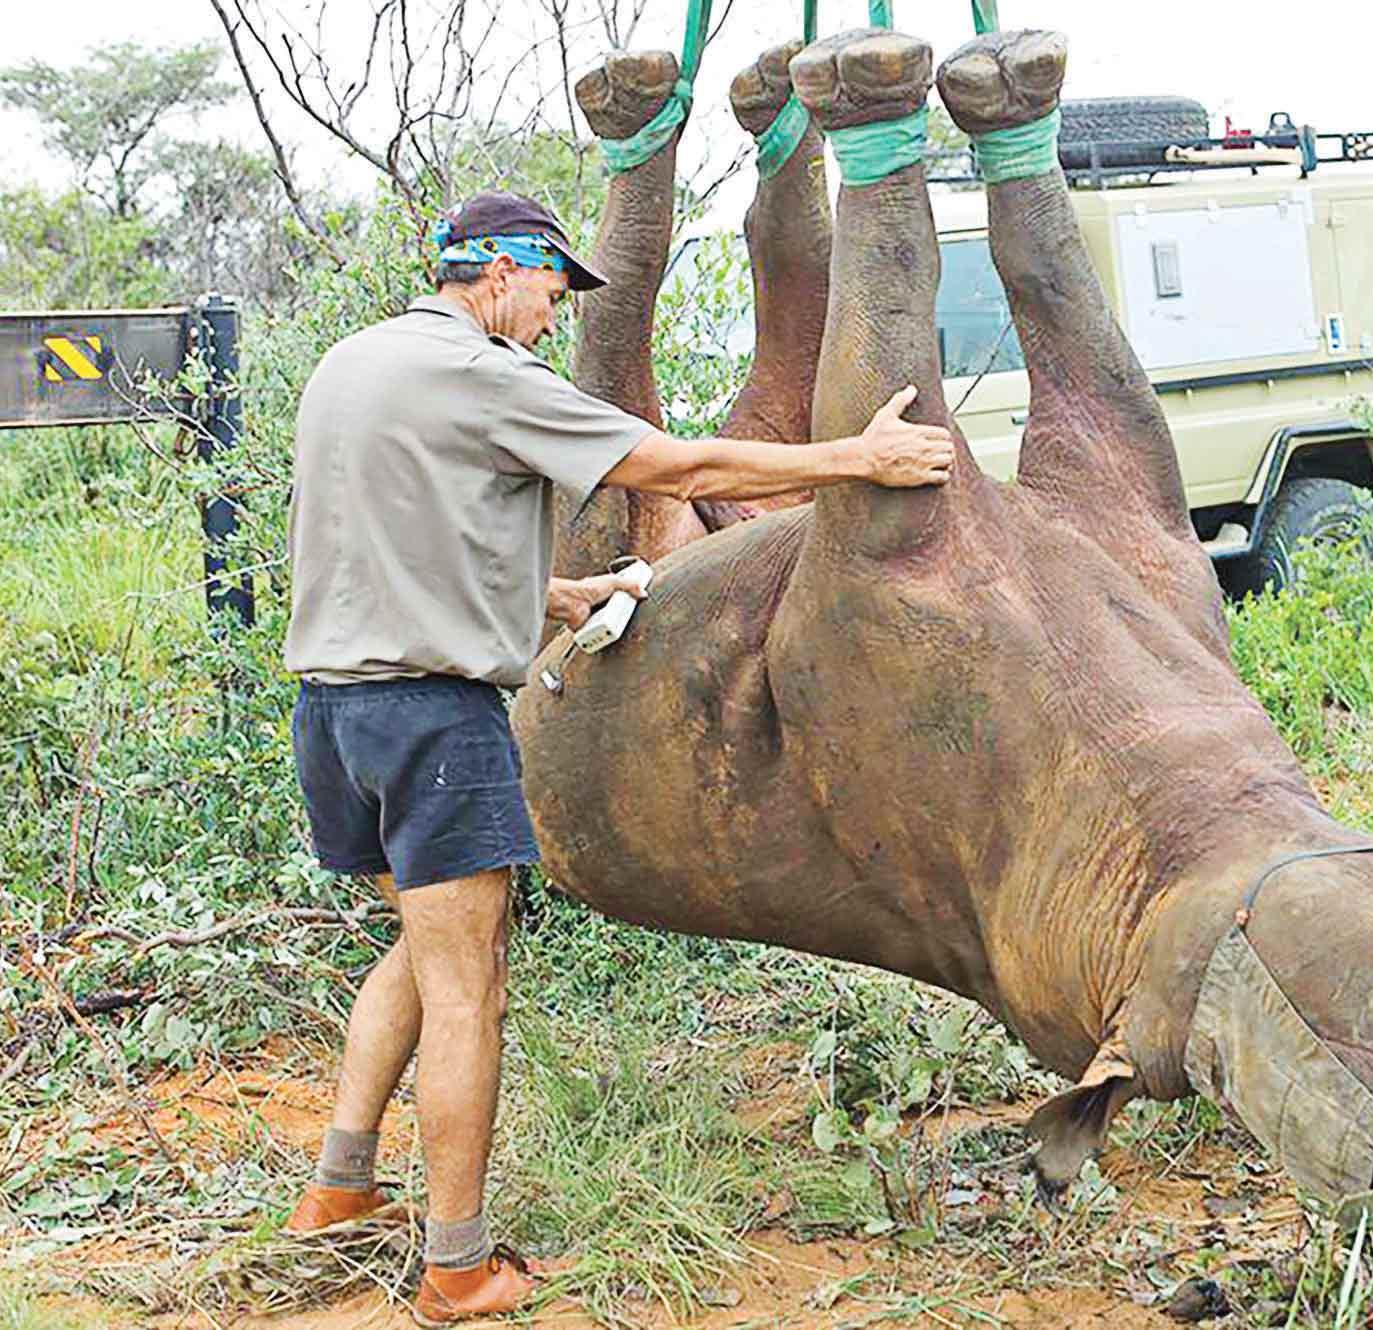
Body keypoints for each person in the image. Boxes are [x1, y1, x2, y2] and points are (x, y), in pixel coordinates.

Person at [278, 191, 954, 1323]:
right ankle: (458, 1267)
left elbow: (386, 537)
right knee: (469, 991)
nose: (553, 312)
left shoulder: (353, 363)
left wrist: (550, 594)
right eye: (552, 286)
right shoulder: (483, 372)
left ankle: (339, 1190)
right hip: (431, 720)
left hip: (337, 714)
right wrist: (855, 458)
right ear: (497, 270)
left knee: (417, 949)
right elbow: (673, 467)